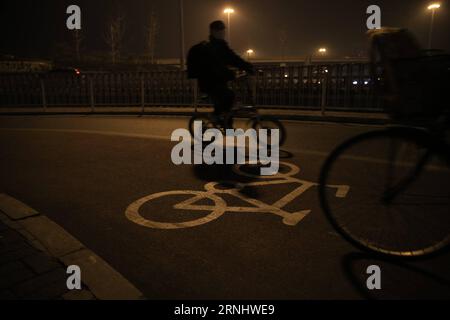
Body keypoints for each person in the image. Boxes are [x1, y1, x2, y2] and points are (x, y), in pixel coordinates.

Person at [189, 20, 254, 124]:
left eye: (223, 31)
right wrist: (229, 74)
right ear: (213, 32)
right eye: (219, 31)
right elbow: (214, 67)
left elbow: (233, 58)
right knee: (228, 96)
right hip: (208, 82)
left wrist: (248, 67)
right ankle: (215, 117)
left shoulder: (221, 46)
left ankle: (226, 125)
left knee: (229, 100)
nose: (222, 33)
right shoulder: (210, 48)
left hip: (218, 81)